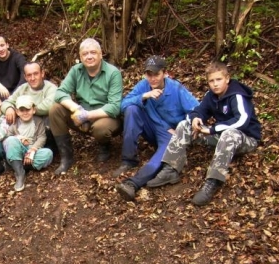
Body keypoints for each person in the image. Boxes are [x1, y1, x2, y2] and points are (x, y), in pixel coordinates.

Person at [145, 61, 262, 206]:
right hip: (222, 136)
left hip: (246, 139)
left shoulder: (237, 95)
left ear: (227, 78)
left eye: (218, 80)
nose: (215, 84)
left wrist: (212, 129)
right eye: (211, 81)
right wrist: (196, 119)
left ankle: (213, 181)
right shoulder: (211, 95)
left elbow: (241, 121)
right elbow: (198, 110)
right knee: (184, 124)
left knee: (229, 133)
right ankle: (171, 168)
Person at [115, 56, 199, 201]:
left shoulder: (176, 88)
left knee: (160, 157)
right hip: (151, 126)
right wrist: (144, 96)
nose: (152, 78)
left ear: (165, 73)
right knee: (132, 109)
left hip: (169, 133)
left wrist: (181, 129)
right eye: (149, 74)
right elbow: (123, 105)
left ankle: (133, 183)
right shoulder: (143, 85)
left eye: (156, 74)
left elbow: (196, 110)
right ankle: (128, 160)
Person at [49, 38, 123, 174]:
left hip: (105, 116)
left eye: (93, 52)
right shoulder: (76, 71)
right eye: (85, 54)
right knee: (55, 109)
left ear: (101, 54)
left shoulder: (113, 73)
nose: (89, 56)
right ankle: (66, 157)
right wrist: (76, 109)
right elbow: (60, 93)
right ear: (80, 57)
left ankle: (104, 146)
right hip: (81, 112)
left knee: (101, 129)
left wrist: (86, 116)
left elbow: (114, 107)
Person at [0, 95, 53, 191]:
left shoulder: (38, 121)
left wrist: (32, 150)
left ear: (33, 110)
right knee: (11, 141)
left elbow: (42, 137)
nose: (25, 113)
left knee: (48, 153)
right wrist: (18, 138)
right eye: (22, 110)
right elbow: (7, 138)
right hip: (19, 150)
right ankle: (20, 173)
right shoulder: (14, 123)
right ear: (17, 111)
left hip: (32, 150)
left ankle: (19, 165)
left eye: (28, 109)